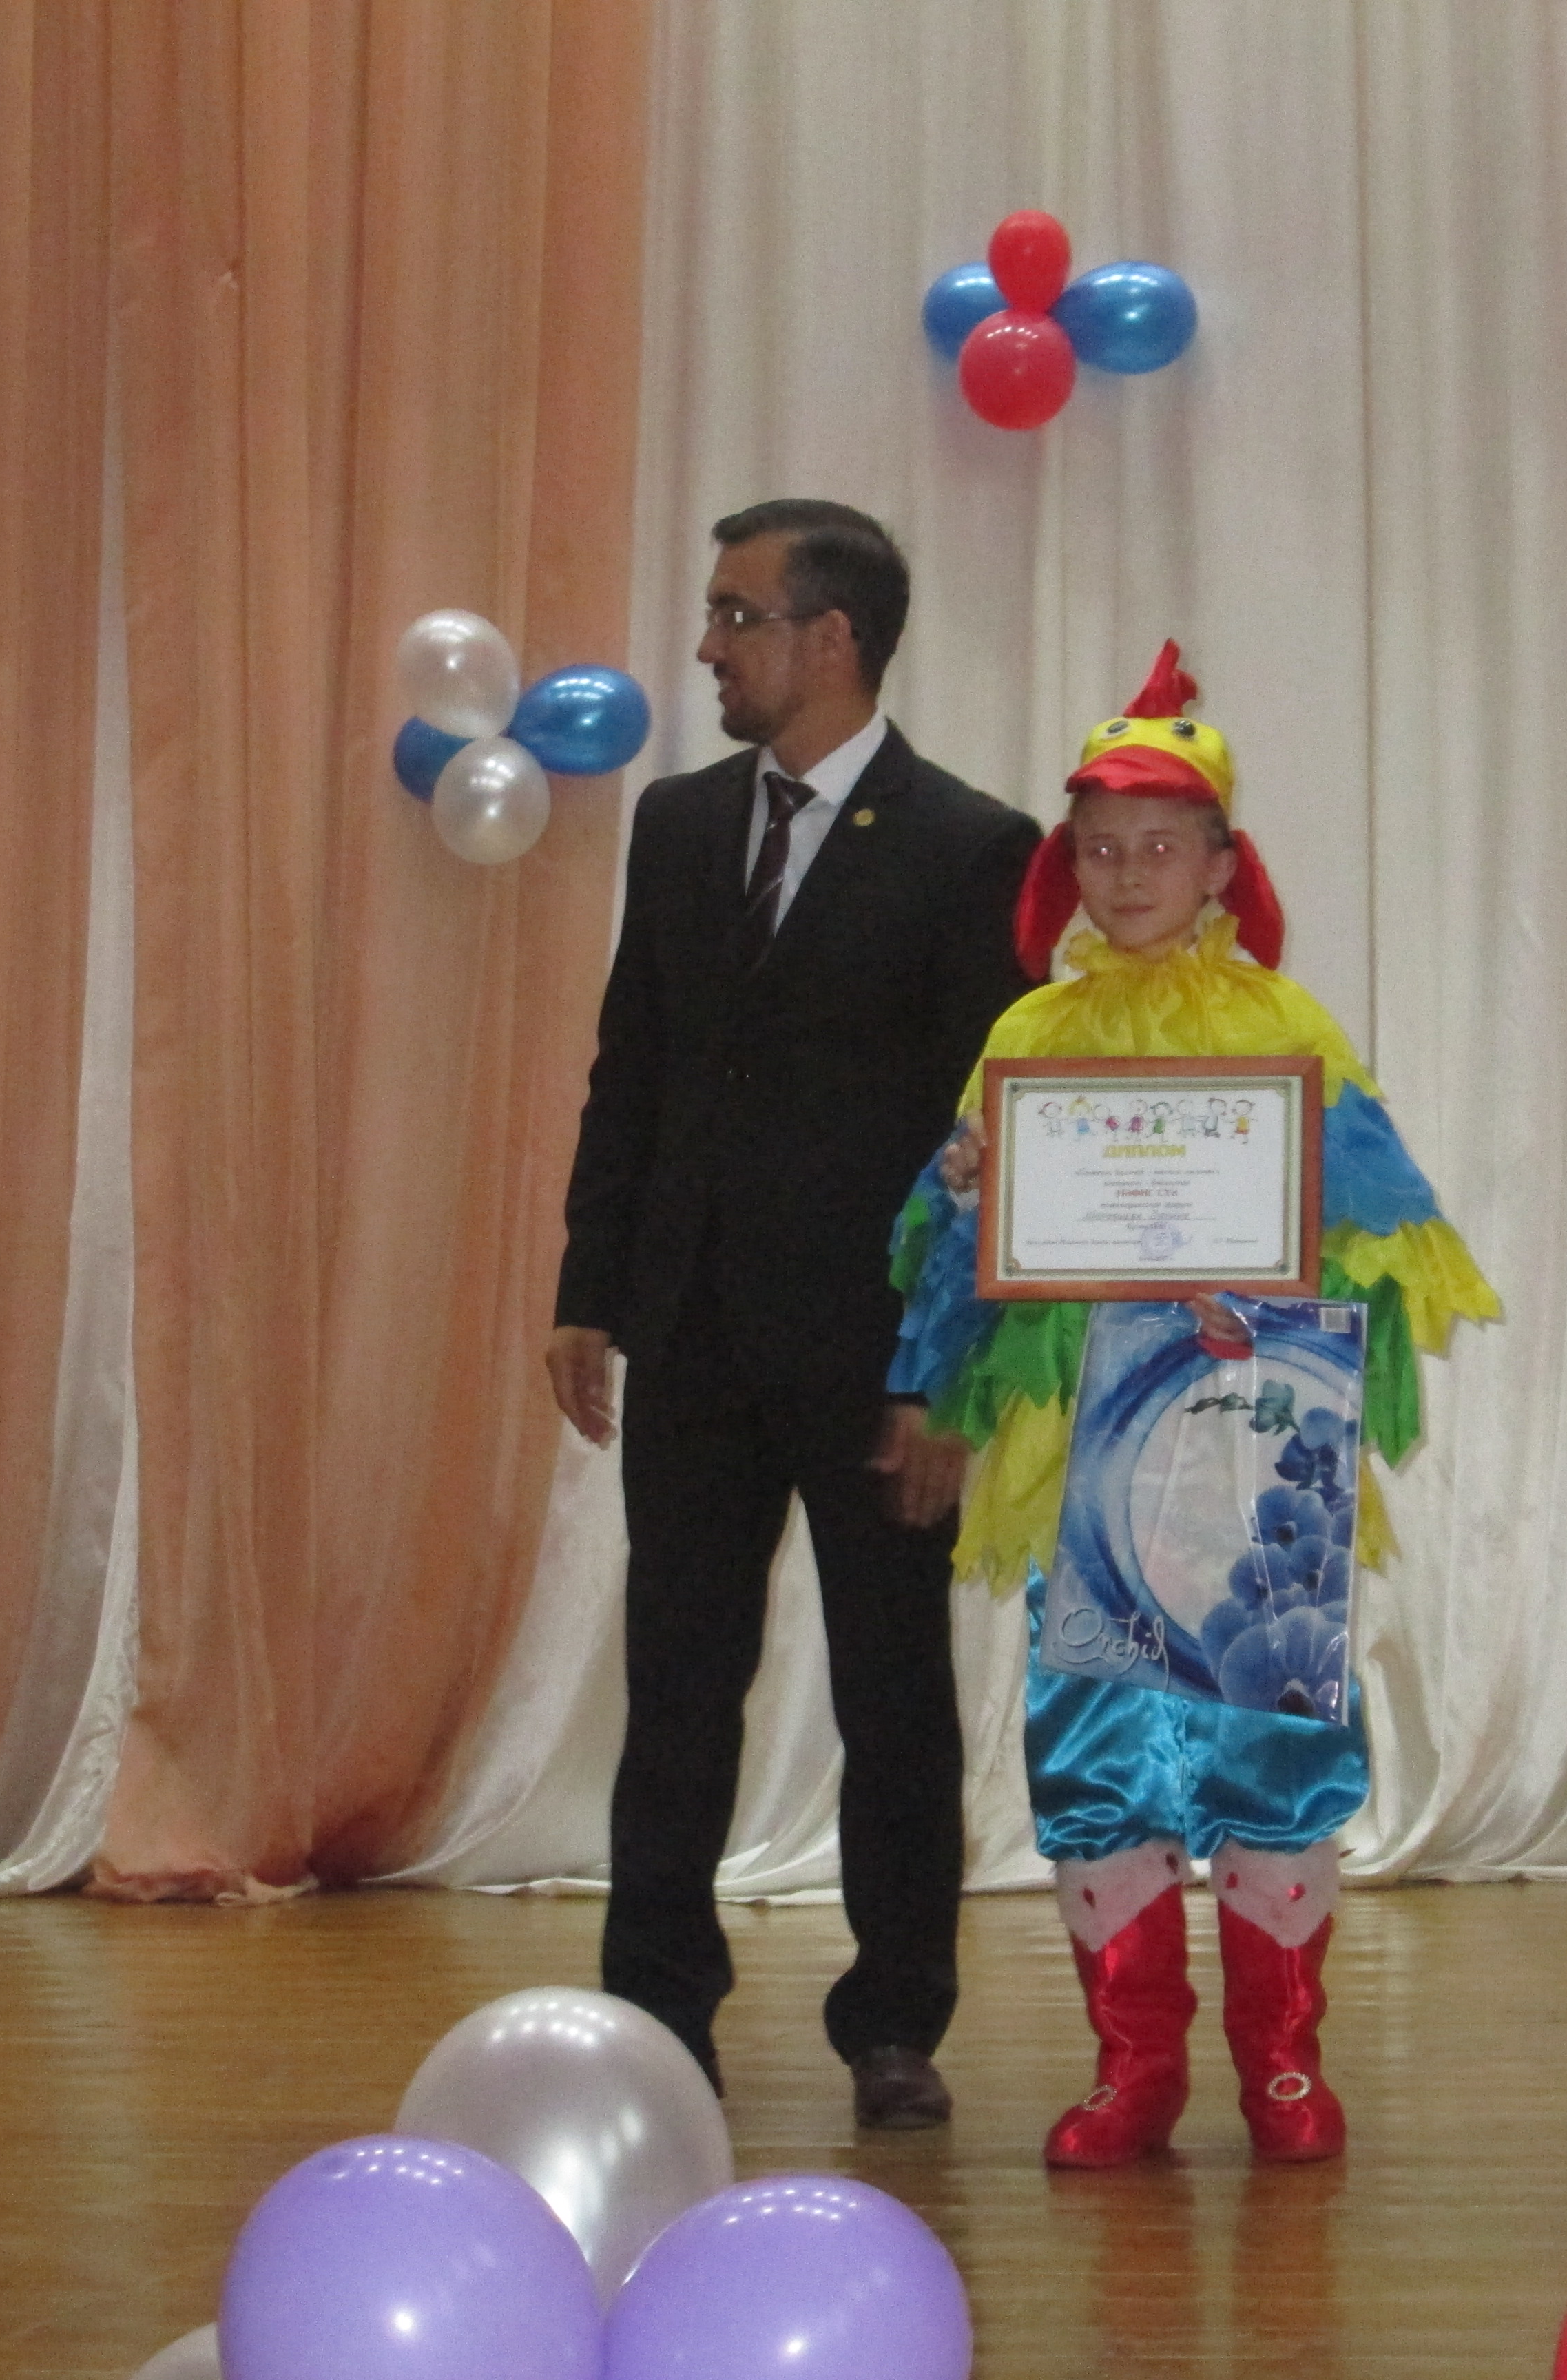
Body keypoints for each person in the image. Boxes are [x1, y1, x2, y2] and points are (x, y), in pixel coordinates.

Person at [885, 645, 1497, 2167]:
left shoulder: (1289, 1030)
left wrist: (1270, 1305)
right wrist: (962, 1188)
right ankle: (1134, 2070)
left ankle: (1281, 2063)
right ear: (1067, 865)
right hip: (1083, 1456)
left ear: (1223, 864)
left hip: (1250, 1455)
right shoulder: (1026, 1039)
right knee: (1104, 1752)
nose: (1129, 874)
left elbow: (1378, 1244)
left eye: (1160, 847)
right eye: (1100, 849)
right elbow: (962, 1263)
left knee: (1269, 1740)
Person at [548, 499, 1038, 2129]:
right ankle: (654, 2010)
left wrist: (947, 1377)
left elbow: (989, 1138)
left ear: (833, 641)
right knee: (679, 1683)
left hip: (877, 1356)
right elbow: (633, 1069)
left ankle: (893, 2019)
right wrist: (589, 1291)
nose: (707, 647)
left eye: (737, 617)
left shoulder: (973, 846)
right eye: (713, 615)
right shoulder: (680, 824)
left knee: (893, 1693)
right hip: (691, 1333)